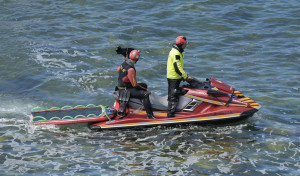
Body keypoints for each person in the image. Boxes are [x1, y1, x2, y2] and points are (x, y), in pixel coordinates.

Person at [116, 50, 155, 119]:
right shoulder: (131, 69)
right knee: (145, 94)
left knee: (144, 84)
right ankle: (150, 115)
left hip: (120, 87)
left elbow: (118, 70)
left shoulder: (124, 63)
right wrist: (146, 90)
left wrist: (126, 79)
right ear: (137, 59)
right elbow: (135, 85)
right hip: (125, 90)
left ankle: (141, 104)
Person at [166, 36, 193, 118]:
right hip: (173, 77)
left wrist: (183, 76)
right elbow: (177, 67)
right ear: (181, 44)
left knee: (174, 93)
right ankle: (170, 115)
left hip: (175, 76)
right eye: (185, 44)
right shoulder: (176, 53)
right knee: (173, 96)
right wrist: (185, 76)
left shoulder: (177, 51)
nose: (186, 45)